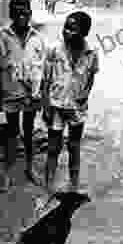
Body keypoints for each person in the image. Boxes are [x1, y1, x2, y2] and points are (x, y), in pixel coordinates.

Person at [0, 0, 46, 192]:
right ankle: (8, 173)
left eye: (25, 11)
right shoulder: (3, 37)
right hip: (11, 93)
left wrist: (42, 96)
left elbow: (42, 71)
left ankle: (30, 168)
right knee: (12, 134)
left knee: (29, 132)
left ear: (30, 13)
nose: (22, 15)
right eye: (17, 12)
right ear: (11, 14)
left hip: (31, 94)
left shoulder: (37, 38)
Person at [42, 11, 99, 192]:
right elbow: (45, 81)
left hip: (76, 107)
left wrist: (85, 94)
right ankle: (48, 185)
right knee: (53, 148)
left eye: (72, 29)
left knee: (74, 146)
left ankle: (73, 185)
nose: (66, 31)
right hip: (56, 105)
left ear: (84, 32)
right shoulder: (54, 50)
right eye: (65, 27)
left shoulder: (91, 53)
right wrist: (46, 106)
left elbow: (91, 77)